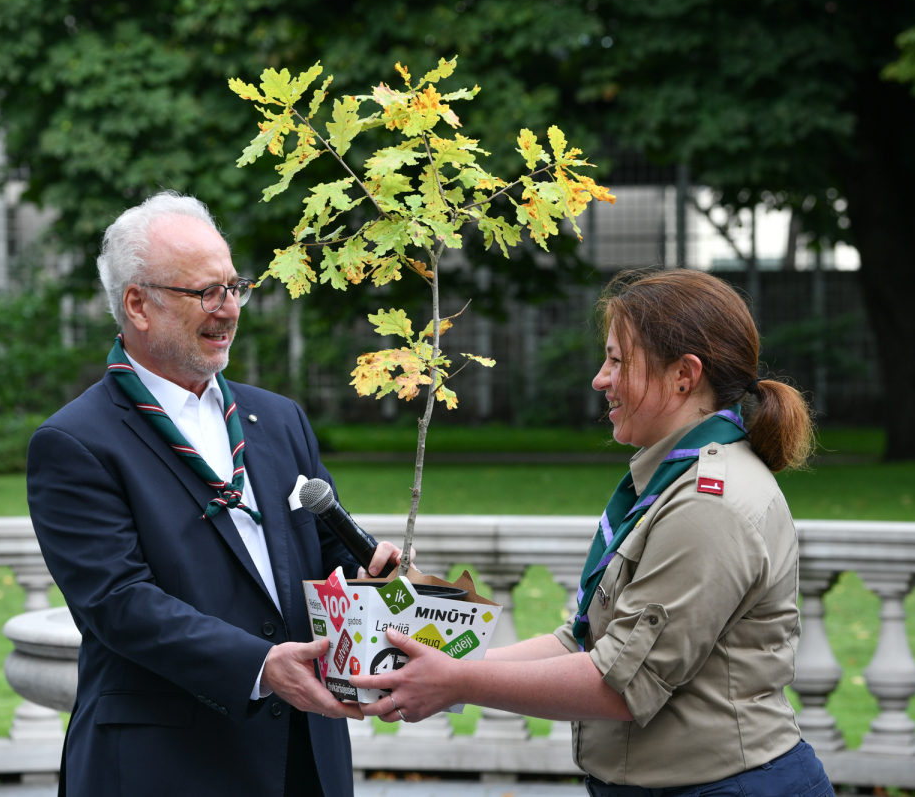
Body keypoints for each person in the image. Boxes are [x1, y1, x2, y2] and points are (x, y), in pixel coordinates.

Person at [352, 268, 835, 797]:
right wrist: (442, 667)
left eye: (617, 360)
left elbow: (617, 684)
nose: (599, 379)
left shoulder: (707, 503)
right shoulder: (674, 479)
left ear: (684, 375)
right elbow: (582, 640)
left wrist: (456, 680)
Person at [27, 191, 402, 797]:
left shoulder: (279, 419)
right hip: (167, 765)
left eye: (234, 287)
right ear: (137, 305)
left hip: (306, 759)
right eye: (204, 292)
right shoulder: (75, 442)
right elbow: (119, 603)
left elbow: (323, 557)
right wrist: (258, 666)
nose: (228, 310)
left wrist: (366, 578)